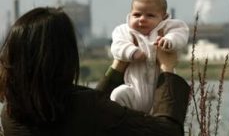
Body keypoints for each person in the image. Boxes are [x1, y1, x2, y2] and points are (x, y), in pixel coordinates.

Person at [0, 7, 190, 136]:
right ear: (65, 57)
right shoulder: (85, 109)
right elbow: (167, 132)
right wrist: (167, 70)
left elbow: (85, 113)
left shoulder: (11, 114)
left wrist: (118, 67)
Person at [110, 0, 189, 112]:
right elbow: (117, 46)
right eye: (137, 15)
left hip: (158, 89)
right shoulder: (124, 31)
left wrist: (169, 41)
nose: (142, 19)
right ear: (130, 15)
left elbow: (181, 33)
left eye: (150, 15)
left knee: (164, 103)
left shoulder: (167, 27)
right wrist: (132, 52)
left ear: (164, 17)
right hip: (134, 90)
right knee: (118, 94)